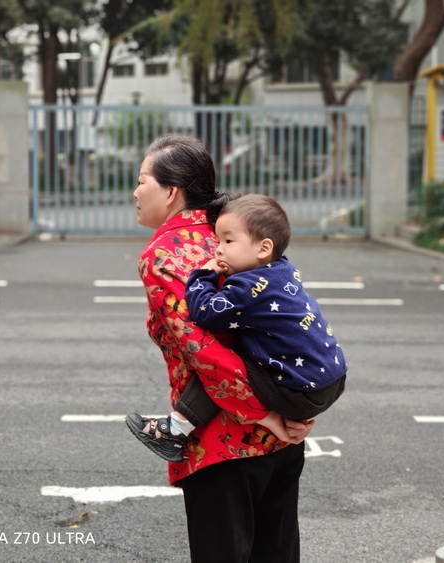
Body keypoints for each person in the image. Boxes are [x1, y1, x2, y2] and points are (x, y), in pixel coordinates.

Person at [125, 134, 314, 562]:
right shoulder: (234, 231)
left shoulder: (164, 254)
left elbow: (205, 353)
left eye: (142, 180)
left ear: (171, 192)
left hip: (224, 442)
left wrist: (268, 415)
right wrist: (297, 408)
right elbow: (293, 319)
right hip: (284, 436)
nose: (135, 192)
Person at [129, 193, 347, 462]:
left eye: (228, 241)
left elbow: (205, 312)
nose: (217, 249)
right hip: (330, 377)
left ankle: (177, 429)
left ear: (263, 248)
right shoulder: (282, 269)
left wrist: (204, 273)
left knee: (222, 360)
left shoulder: (247, 288)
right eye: (218, 240)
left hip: (301, 389)